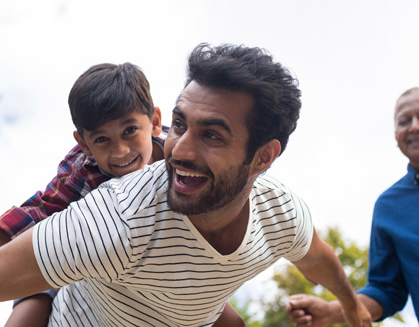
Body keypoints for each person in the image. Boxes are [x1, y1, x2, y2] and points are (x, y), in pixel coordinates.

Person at [0, 43, 371, 327]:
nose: (181, 150)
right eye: (181, 125)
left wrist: (353, 307)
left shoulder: (280, 212)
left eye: (211, 135)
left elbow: (319, 259)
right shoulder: (116, 216)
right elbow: (35, 215)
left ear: (263, 157)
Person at [0, 62, 241, 327]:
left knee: (232, 322)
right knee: (33, 302)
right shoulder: (83, 170)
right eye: (102, 140)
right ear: (84, 144)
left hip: (160, 261)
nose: (121, 151)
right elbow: (43, 210)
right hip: (83, 256)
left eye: (129, 131)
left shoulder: (180, 156)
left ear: (155, 122)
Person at [286, 87, 419, 326]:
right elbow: (386, 290)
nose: (415, 126)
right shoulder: (388, 206)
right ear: (396, 135)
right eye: (404, 121)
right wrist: (333, 311)